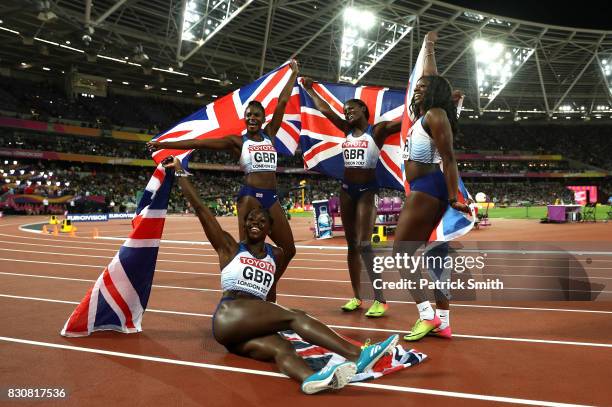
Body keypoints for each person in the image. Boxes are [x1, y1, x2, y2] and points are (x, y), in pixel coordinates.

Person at [163, 155, 399, 395]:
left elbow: (269, 296)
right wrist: (181, 174)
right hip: (230, 314)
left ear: (269, 227)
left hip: (243, 330)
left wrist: (271, 312)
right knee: (295, 316)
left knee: (283, 348)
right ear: (244, 225)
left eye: (261, 220)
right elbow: (202, 210)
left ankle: (310, 379)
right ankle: (358, 355)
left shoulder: (274, 255)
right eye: (250, 219)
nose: (255, 222)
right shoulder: (229, 247)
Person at [148, 61, 299, 302]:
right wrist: (165, 144)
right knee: (245, 251)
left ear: (263, 118)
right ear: (244, 118)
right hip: (249, 197)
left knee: (289, 250)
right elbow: (199, 142)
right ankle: (246, 296)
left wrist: (292, 74)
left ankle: (263, 284)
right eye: (248, 115)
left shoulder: (270, 134)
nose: (252, 118)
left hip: (271, 198)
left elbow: (282, 101)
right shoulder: (236, 142)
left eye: (256, 115)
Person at [301, 78, 401, 317]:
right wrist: (308, 89)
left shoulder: (377, 131)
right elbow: (324, 110)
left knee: (365, 244)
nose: (347, 113)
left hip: (368, 191)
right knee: (351, 245)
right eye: (345, 111)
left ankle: (380, 299)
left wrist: (440, 103)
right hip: (346, 190)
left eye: (351, 109)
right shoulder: (346, 131)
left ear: (363, 110)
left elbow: (407, 121)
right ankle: (357, 297)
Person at [394, 32, 470, 341]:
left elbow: (450, 159)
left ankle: (426, 317)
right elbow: (429, 75)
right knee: (436, 255)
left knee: (401, 252)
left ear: (435, 93)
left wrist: (454, 197)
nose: (417, 88)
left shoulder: (436, 115)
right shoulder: (427, 115)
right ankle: (444, 320)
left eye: (423, 87)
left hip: (428, 186)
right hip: (427, 186)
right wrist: (429, 47)